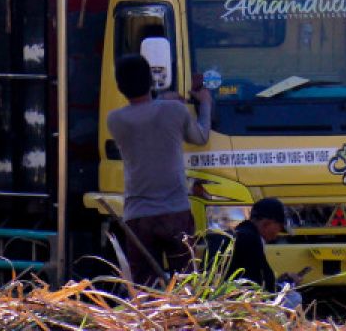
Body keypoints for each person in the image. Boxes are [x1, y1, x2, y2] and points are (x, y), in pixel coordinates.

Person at [106, 53, 213, 286]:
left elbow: (146, 112)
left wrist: (165, 98)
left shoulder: (115, 120)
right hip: (176, 212)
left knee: (145, 287)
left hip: (138, 215)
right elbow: (201, 136)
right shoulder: (175, 111)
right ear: (151, 80)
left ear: (119, 87)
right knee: (185, 283)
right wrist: (205, 103)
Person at [224, 196, 305, 308]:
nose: (277, 234)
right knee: (294, 297)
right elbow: (263, 288)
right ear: (266, 223)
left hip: (220, 296)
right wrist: (288, 284)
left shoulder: (237, 234)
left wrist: (279, 281)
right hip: (239, 302)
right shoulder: (252, 240)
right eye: (279, 228)